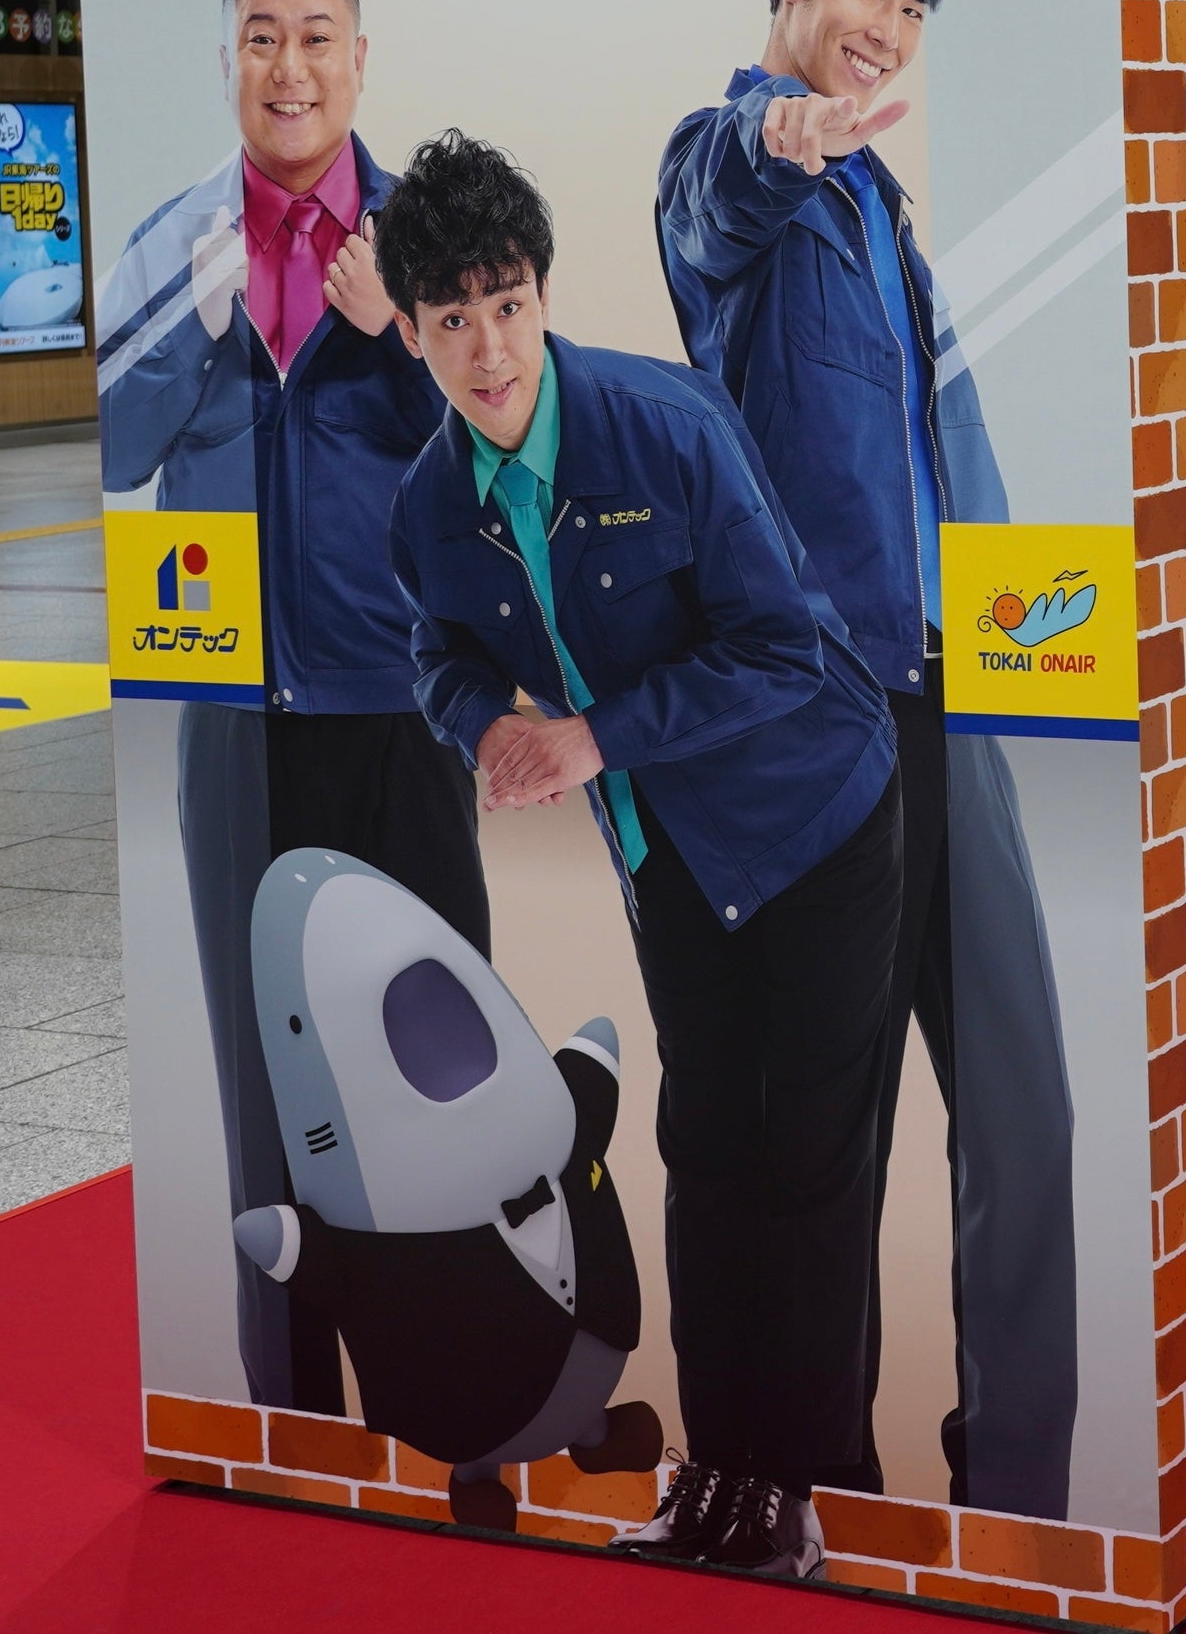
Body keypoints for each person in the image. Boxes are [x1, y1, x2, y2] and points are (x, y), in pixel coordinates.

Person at [380, 131, 901, 1586]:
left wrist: (596, 736)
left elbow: (787, 644)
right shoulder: (433, 500)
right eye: (449, 317)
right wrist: (484, 720)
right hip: (671, 851)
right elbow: (436, 643)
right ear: (413, 330)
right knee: (704, 1147)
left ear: (541, 291)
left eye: (506, 302)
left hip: (815, 818)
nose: (488, 348)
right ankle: (717, 1468)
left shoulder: (664, 423)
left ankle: (793, 1486)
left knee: (806, 1156)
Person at [654, 0, 1080, 1517]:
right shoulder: (740, 180)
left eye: (912, 2)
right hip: (821, 725)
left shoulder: (882, 217)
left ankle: (1018, 1494)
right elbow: (715, 185)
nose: (889, 26)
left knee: (1019, 1104)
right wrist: (783, 131)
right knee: (813, 1138)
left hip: (940, 699)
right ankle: (793, 1484)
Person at [94, 0, 471, 1416]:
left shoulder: (431, 234)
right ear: (232, 56)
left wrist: (396, 333)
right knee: (268, 1088)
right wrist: (196, 316)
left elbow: (509, 442)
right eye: (263, 34)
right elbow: (117, 448)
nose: (291, 65)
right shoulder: (173, 238)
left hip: (408, 712)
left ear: (360, 58)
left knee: (432, 1064)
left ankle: (450, 1398)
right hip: (237, 725)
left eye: (318, 34)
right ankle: (295, 1417)